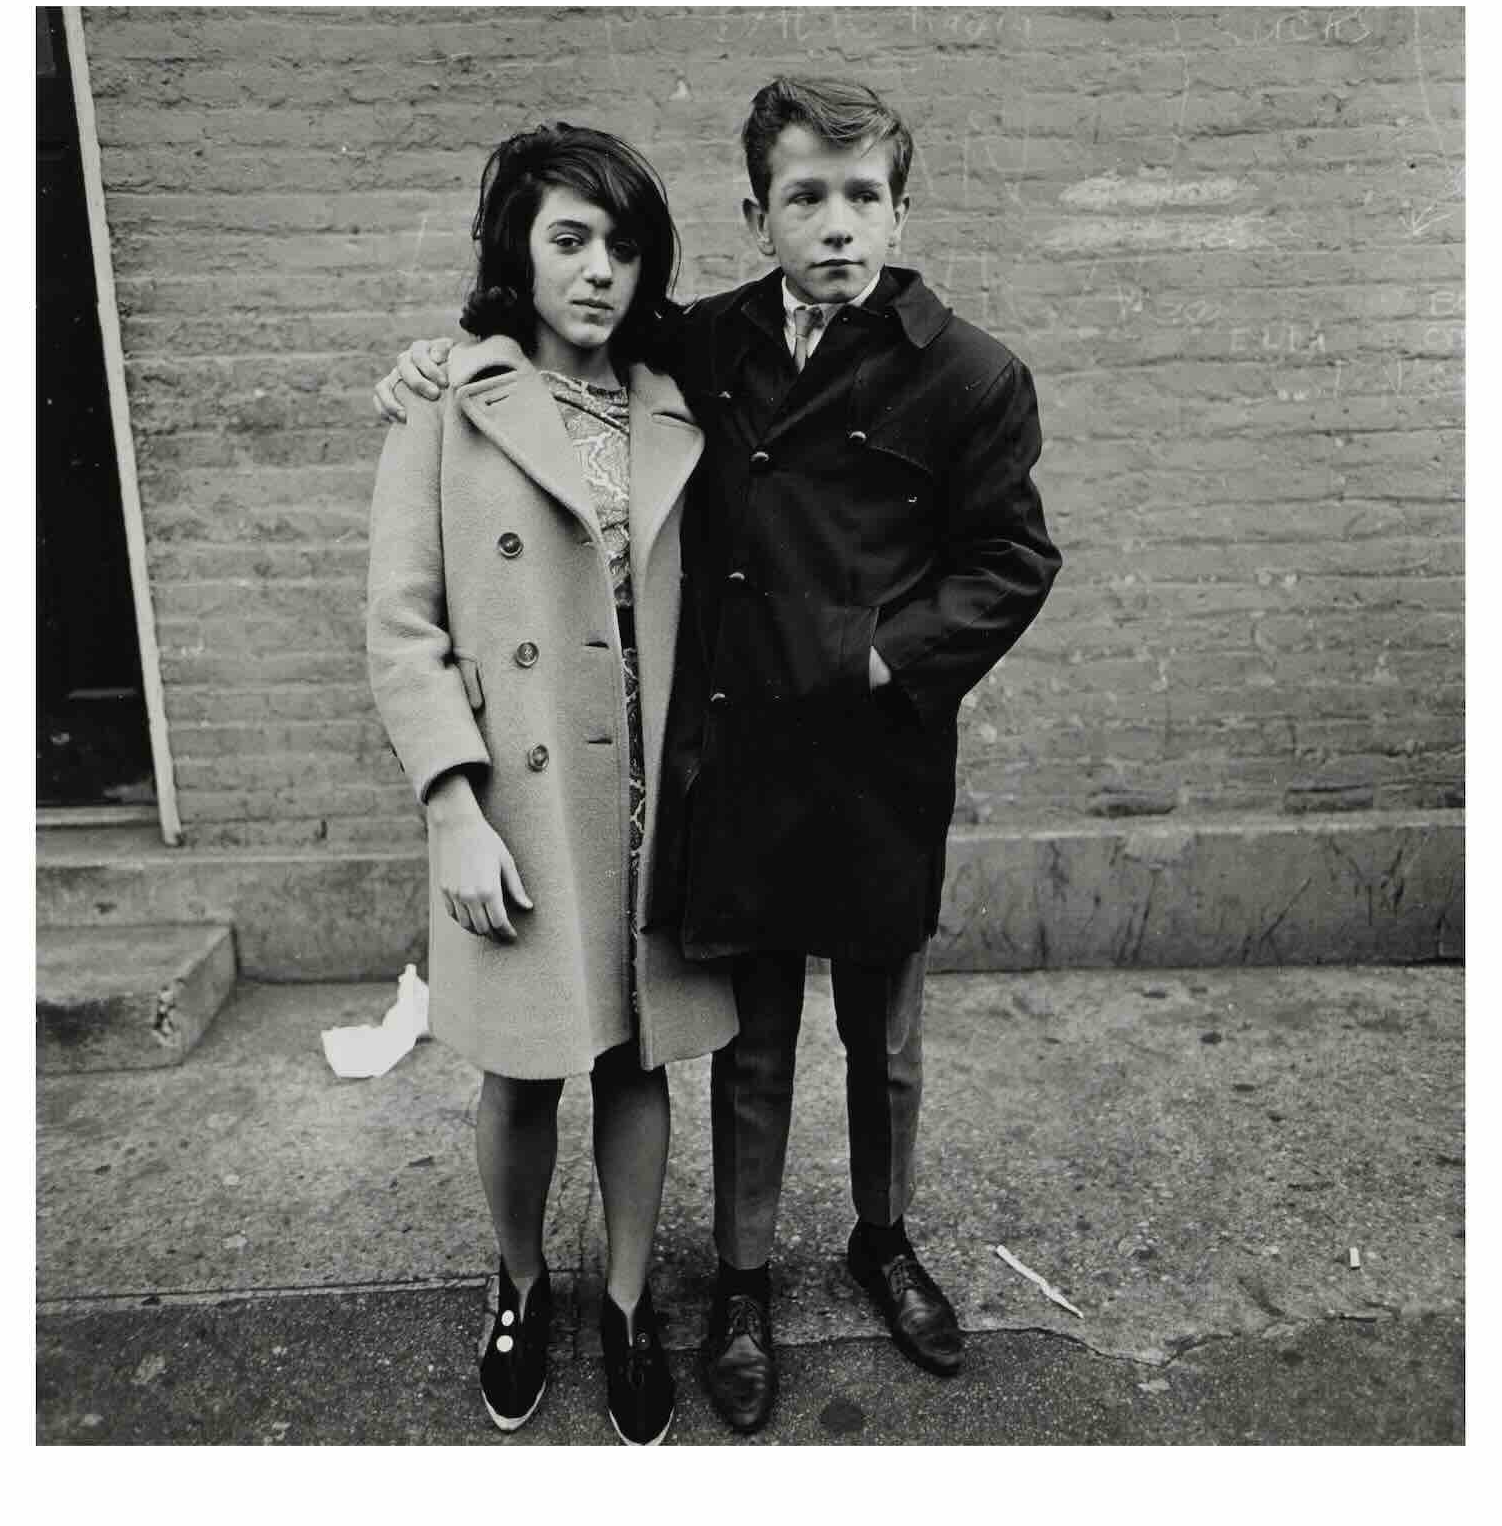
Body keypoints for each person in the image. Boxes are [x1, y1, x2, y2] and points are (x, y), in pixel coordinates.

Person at [373, 76, 1062, 1436]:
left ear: (901, 210)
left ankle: (868, 1243)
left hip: (857, 759)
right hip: (701, 769)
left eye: (865, 196)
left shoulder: (963, 372)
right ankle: (706, 1286)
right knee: (726, 1048)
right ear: (758, 214)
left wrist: (885, 659)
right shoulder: (703, 348)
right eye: (805, 196)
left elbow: (1012, 557)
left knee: (878, 1040)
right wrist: (432, 358)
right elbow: (442, 557)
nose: (838, 226)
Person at [365, 121, 736, 1446]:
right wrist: (452, 809)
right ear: (515, 249)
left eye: (624, 246)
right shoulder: (448, 402)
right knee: (523, 1070)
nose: (599, 270)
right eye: (569, 239)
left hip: (657, 801)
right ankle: (519, 1282)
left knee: (640, 1062)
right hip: (517, 805)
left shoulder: (680, 396)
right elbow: (402, 624)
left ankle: (629, 1304)